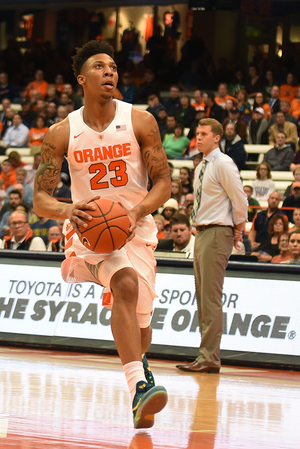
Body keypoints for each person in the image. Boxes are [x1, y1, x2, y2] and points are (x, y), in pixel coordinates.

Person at [32, 40, 170, 429]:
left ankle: (140, 367)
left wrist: (137, 210)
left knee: (142, 321)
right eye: (100, 66)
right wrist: (66, 210)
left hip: (136, 228)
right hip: (91, 233)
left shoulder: (141, 121)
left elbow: (164, 183)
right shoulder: (62, 132)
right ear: (82, 78)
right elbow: (40, 198)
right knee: (124, 285)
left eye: (113, 66)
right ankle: (138, 389)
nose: (110, 72)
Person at [176, 118, 248, 373]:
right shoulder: (200, 167)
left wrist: (239, 227)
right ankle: (205, 356)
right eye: (197, 133)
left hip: (218, 231)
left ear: (217, 137)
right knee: (203, 297)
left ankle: (209, 358)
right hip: (203, 232)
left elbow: (239, 197)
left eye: (204, 133)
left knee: (210, 297)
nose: (199, 137)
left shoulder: (224, 163)